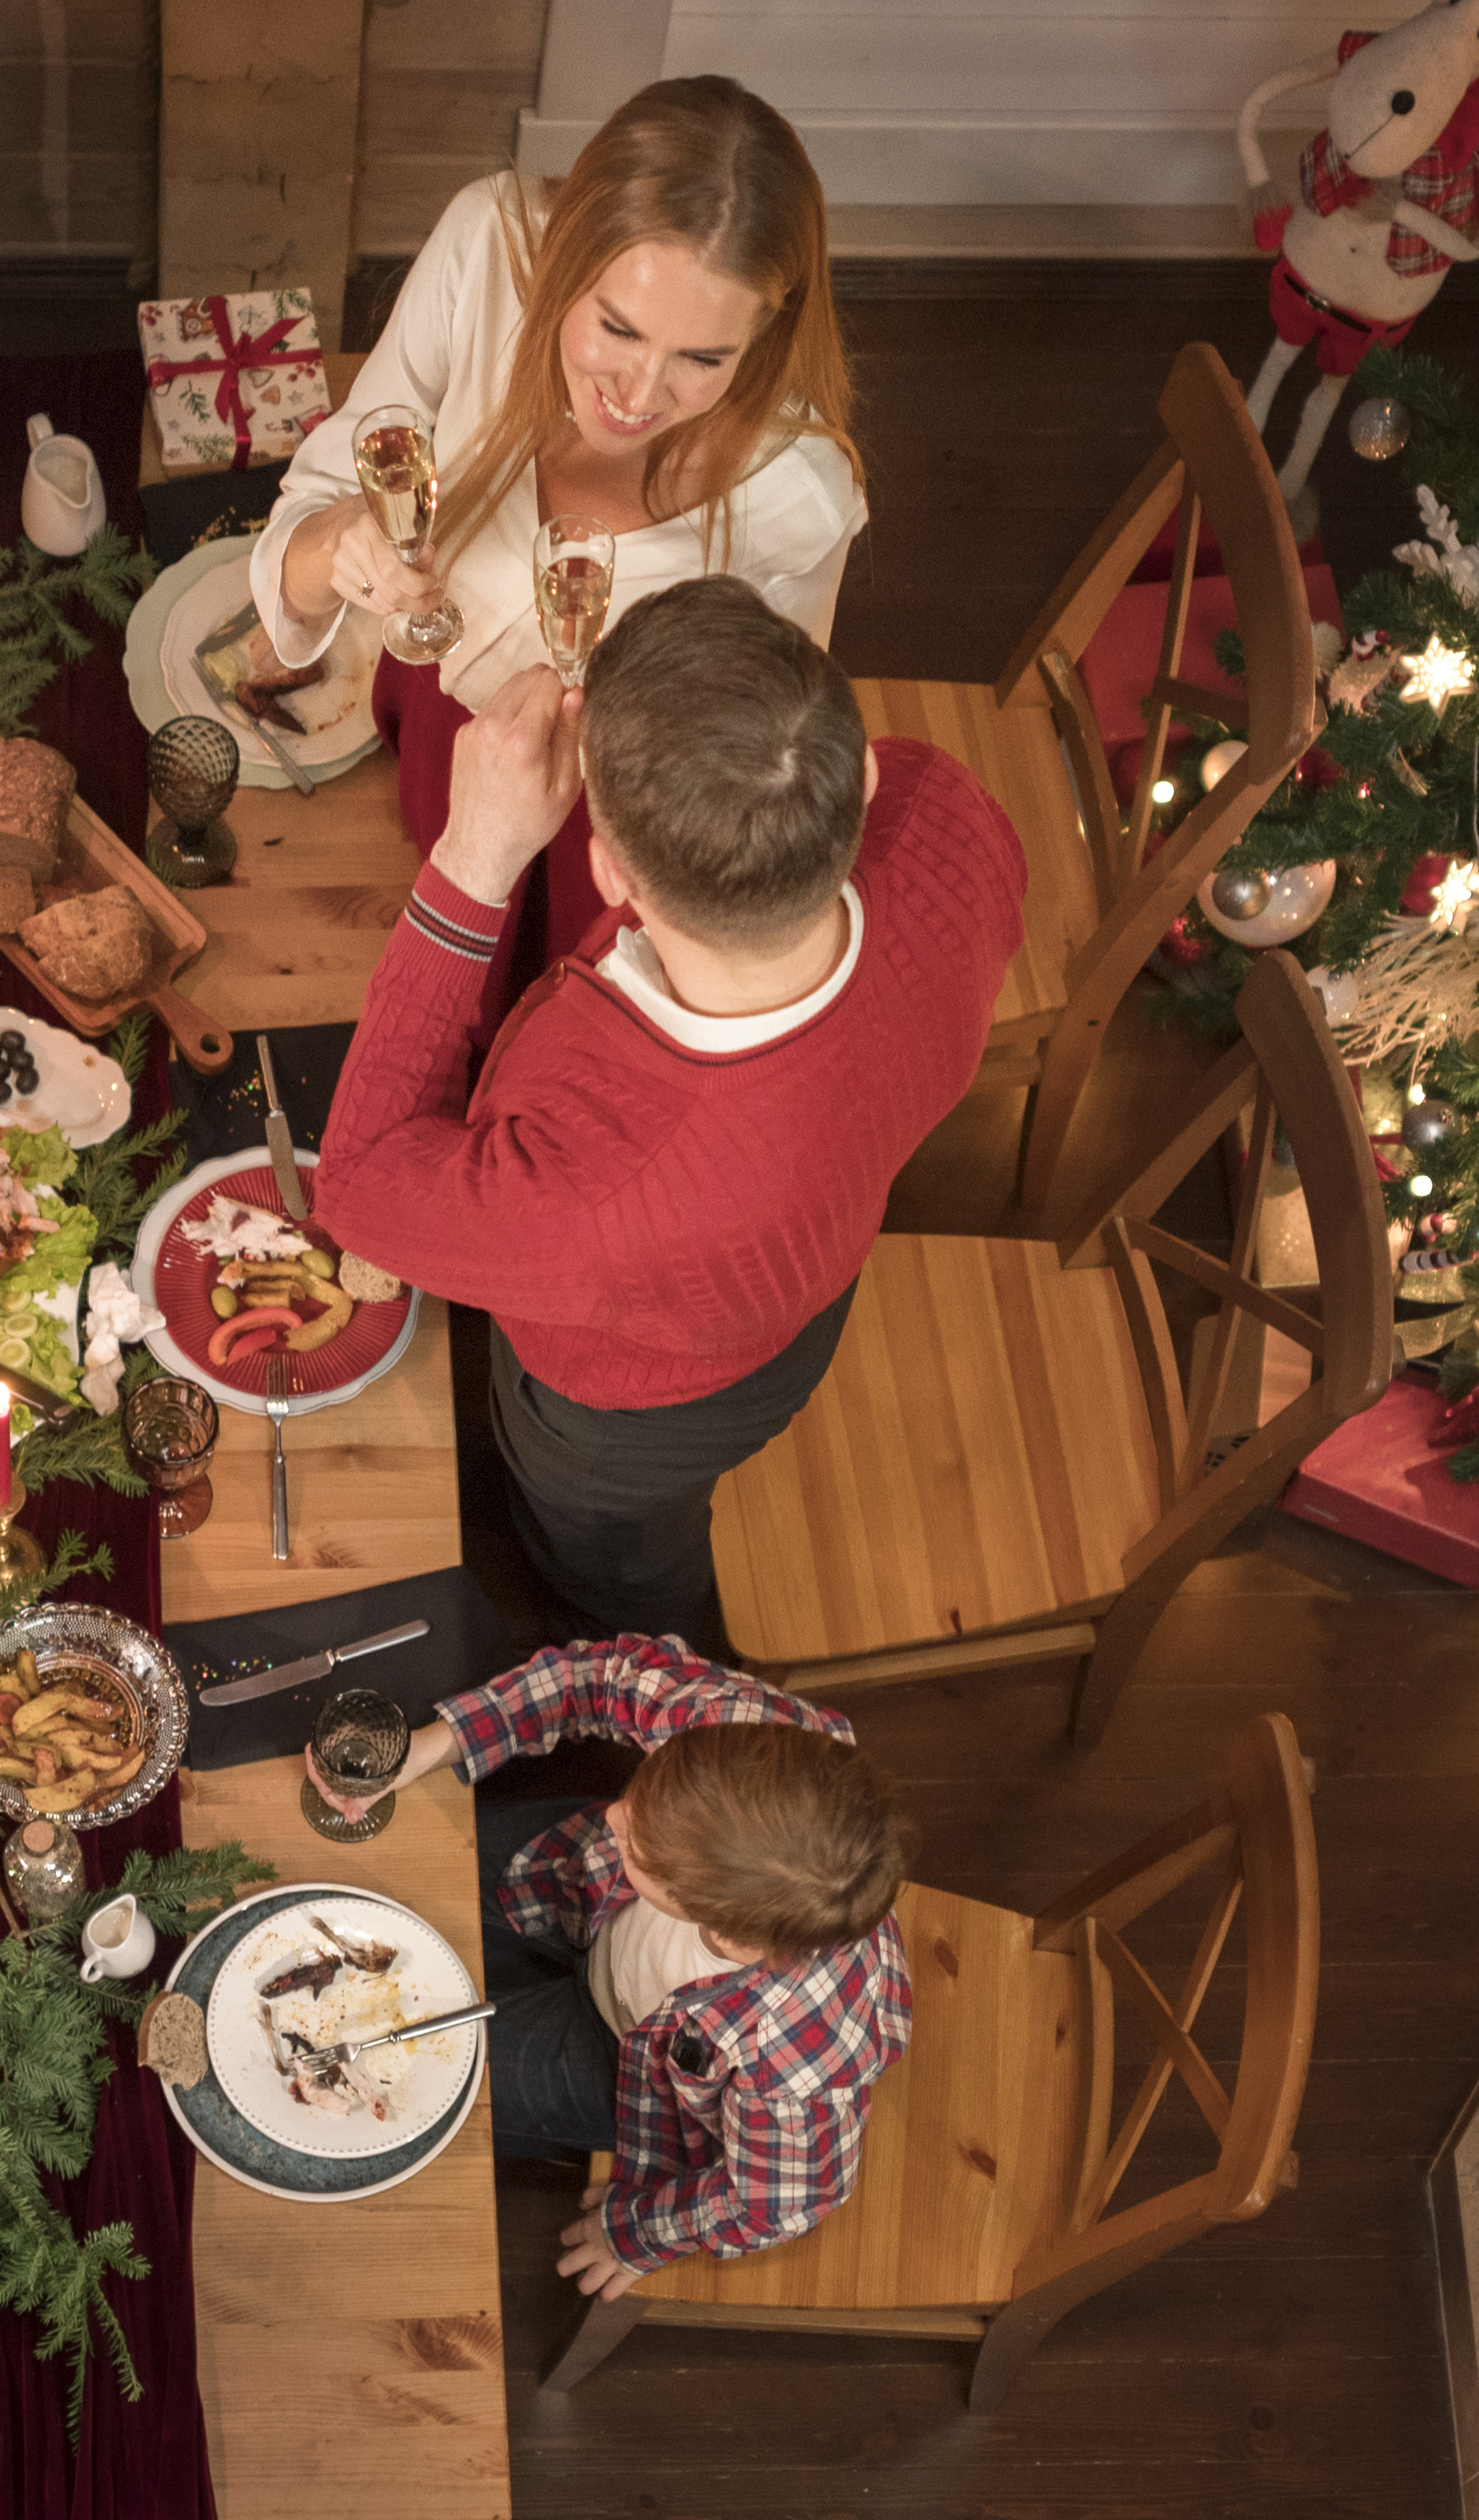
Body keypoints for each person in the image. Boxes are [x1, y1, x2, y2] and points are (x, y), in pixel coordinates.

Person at [309, 579, 1023, 1646]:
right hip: (810, 1264)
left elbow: (360, 1190)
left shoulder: (601, 1190)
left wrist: (473, 861)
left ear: (604, 873)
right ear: (862, 772)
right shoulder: (939, 810)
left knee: (613, 1557)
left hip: (628, 1421)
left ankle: (647, 1656)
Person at [248, 76, 864, 962]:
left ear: (766, 336)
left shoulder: (796, 500)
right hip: (423, 727)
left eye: (702, 357)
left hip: (593, 840)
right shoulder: (487, 248)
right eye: (617, 329)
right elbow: (309, 522)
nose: (640, 396)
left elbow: (762, 760)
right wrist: (330, 547)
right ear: (563, 257)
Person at [311, 1636, 914, 2291]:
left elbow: (780, 2202)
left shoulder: (800, 2061)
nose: (618, 1812)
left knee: (403, 2081)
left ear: (701, 1910)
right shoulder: (752, 1742)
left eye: (638, 1843)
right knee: (370, 1891)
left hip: (624, 2063)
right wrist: (441, 1742)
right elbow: (599, 1675)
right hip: (572, 1886)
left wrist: (638, 2234)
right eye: (643, 1790)